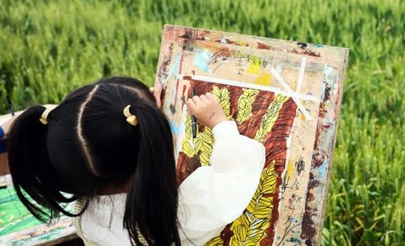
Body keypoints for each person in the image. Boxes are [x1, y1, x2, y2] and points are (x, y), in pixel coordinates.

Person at [8, 77, 265, 246]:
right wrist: (220, 124)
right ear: (152, 146)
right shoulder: (176, 216)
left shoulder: (83, 205)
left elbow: (83, 129)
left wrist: (138, 116)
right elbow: (235, 179)